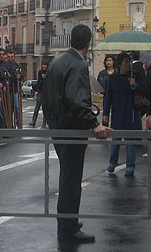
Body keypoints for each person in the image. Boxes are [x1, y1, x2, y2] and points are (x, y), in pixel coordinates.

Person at [41, 25, 110, 244]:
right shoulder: (78, 64)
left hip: (57, 125)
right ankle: (68, 228)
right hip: (71, 127)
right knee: (71, 179)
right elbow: (77, 98)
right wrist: (94, 124)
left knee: (67, 176)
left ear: (70, 39)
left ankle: (69, 221)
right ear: (89, 44)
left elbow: (47, 94)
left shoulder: (58, 61)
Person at [103, 52, 146, 177]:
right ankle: (112, 164)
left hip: (130, 112)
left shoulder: (135, 75)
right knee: (115, 139)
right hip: (117, 113)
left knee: (129, 140)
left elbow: (144, 89)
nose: (128, 64)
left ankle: (130, 166)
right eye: (126, 62)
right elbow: (108, 97)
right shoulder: (113, 78)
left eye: (129, 62)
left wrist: (135, 84)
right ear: (120, 64)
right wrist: (105, 113)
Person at [29, 61, 48, 127]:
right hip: (40, 91)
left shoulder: (49, 72)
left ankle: (44, 122)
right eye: (43, 65)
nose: (44, 66)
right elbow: (39, 81)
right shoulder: (40, 72)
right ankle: (33, 121)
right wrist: (37, 90)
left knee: (45, 108)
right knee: (37, 107)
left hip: (47, 92)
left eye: (45, 65)